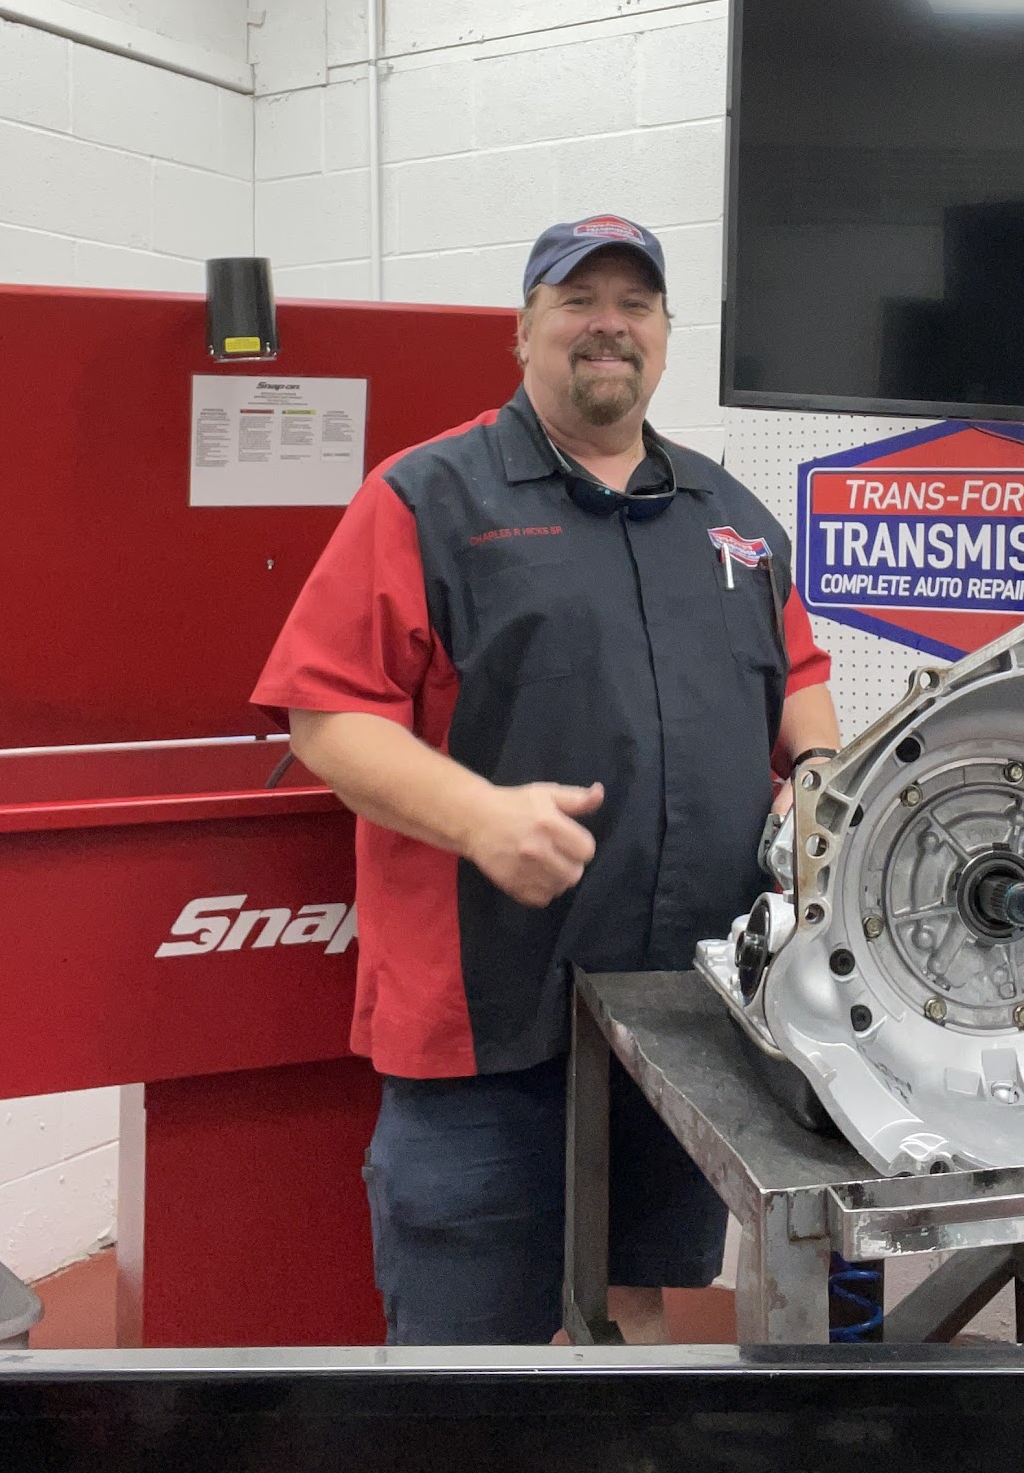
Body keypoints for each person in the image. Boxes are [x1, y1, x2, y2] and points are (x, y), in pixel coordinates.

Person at [252, 213, 839, 1344]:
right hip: (489, 1028)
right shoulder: (427, 497)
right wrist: (479, 816)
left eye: (635, 304)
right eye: (578, 301)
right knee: (468, 1349)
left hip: (686, 1016)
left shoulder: (731, 519)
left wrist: (817, 772)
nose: (608, 325)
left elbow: (796, 674)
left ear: (664, 333)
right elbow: (326, 713)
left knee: (635, 1297)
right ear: (524, 329)